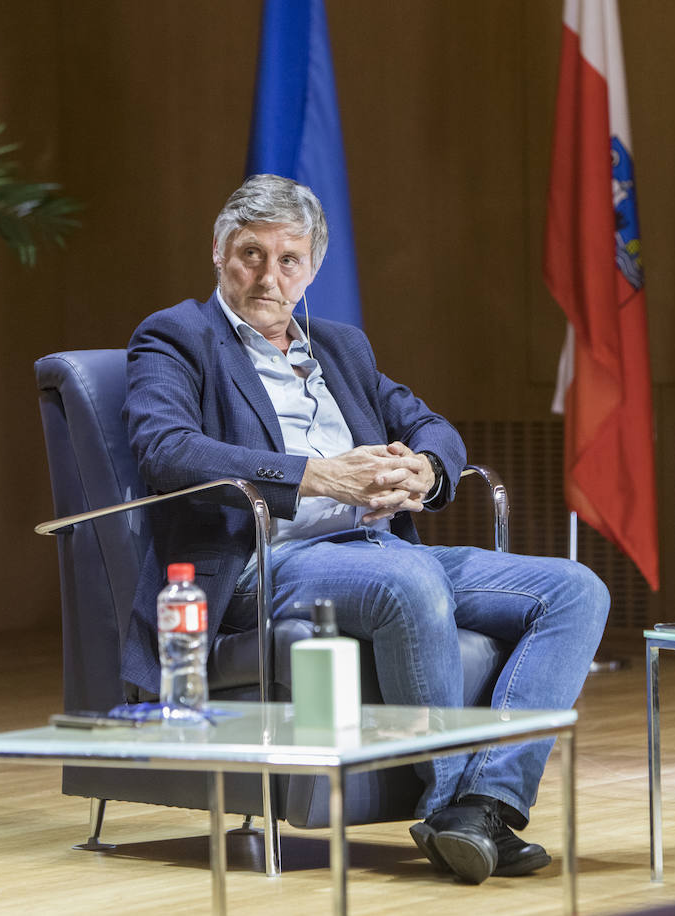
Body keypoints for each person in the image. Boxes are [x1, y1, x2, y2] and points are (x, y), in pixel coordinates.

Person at [121, 174, 610, 883]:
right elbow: (167, 450)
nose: (269, 275)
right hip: (265, 560)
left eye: (289, 260)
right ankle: (449, 808)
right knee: (406, 578)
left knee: (575, 589)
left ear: (312, 267)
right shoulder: (177, 338)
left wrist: (427, 470)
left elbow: (430, 425)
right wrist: (317, 475)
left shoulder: (340, 346)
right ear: (220, 253)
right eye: (251, 254)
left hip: (376, 548)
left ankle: (485, 802)